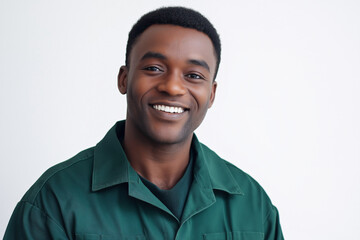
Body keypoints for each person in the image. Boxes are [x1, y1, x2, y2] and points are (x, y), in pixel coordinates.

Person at [4, 6, 284, 240]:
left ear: (211, 94)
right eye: (154, 69)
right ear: (124, 79)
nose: (173, 87)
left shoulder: (253, 206)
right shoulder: (52, 203)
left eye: (194, 75)